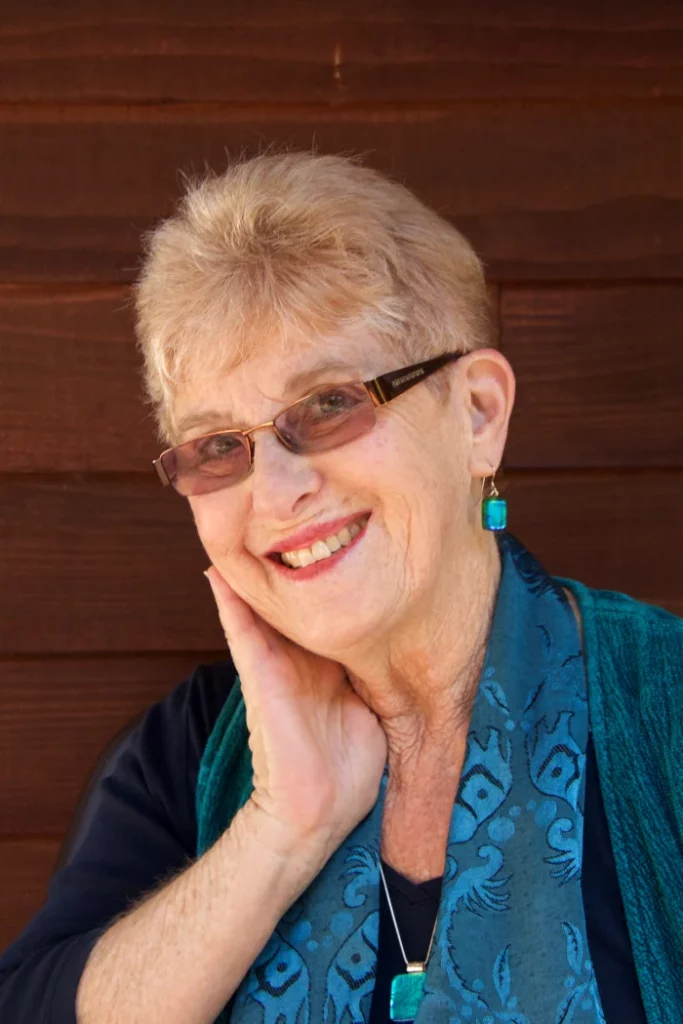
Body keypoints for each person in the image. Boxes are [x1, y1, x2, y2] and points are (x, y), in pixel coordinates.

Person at [0, 151, 681, 1024]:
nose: (275, 493)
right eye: (217, 446)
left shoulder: (661, 710)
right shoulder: (190, 750)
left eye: (328, 404)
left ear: (477, 413)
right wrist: (282, 828)